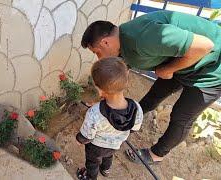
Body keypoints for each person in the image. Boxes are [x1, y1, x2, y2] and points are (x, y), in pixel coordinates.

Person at [80, 10, 221, 164]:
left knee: (181, 116)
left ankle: (157, 154)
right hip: (182, 63)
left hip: (211, 69)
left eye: (97, 53)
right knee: (155, 95)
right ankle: (129, 121)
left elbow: (205, 46)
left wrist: (168, 70)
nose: (99, 58)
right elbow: (118, 75)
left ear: (105, 42)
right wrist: (103, 104)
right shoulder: (122, 43)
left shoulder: (144, 38)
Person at [76, 57, 143, 180]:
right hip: (116, 144)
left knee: (92, 162)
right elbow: (134, 128)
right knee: (108, 156)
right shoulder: (137, 108)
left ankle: (91, 177)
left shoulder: (94, 113)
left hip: (96, 147)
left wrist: (79, 139)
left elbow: (87, 137)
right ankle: (106, 170)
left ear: (101, 91)